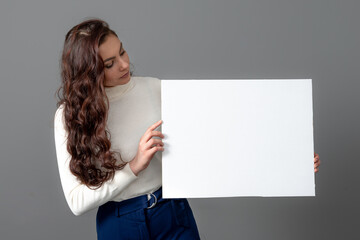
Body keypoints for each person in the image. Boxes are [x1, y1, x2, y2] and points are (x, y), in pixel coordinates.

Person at [54, 18, 321, 240]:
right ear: (89, 72)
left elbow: (225, 139)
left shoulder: (155, 89)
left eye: (122, 52)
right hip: (119, 223)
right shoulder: (69, 117)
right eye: (109, 64)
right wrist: (134, 165)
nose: (124, 64)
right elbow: (77, 202)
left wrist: (290, 164)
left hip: (172, 212)